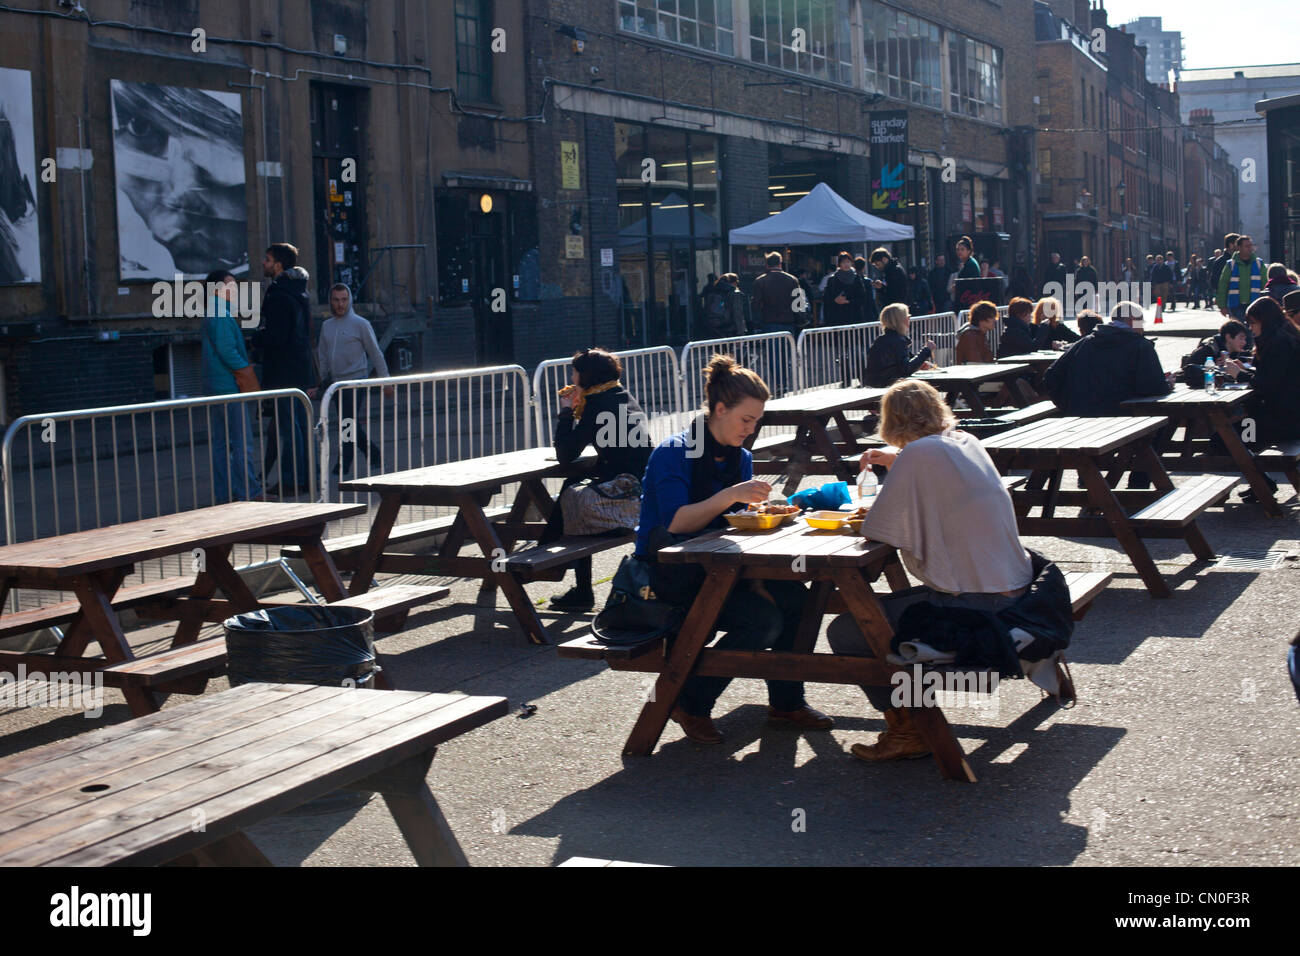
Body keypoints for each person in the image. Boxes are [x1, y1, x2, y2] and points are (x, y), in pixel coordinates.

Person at [826, 379, 1034, 762]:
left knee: (852, 628)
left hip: (980, 608)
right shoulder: (965, 441)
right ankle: (911, 724)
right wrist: (898, 461)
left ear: (892, 422)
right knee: (883, 614)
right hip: (1017, 593)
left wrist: (899, 466)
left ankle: (909, 730)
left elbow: (878, 528)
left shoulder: (918, 455)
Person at [637, 355, 832, 743]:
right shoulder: (674, 451)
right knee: (762, 621)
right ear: (720, 409)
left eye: (757, 420)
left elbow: (738, 519)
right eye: (746, 419)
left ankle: (786, 700)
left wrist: (766, 512)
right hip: (669, 575)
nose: (752, 428)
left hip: (721, 566)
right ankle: (687, 702)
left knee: (798, 600)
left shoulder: (739, 457)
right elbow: (676, 522)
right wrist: (732, 496)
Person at [547, 348, 654, 612]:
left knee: (573, 497)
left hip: (626, 494)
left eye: (574, 372)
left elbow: (565, 454)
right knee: (572, 488)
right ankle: (556, 559)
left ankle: (559, 568)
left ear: (585, 376)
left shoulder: (596, 405)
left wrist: (566, 411)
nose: (572, 377)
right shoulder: (620, 394)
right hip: (644, 486)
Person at [1223, 298, 1300, 501]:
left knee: (1229, 437)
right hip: (1287, 415)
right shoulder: (1285, 336)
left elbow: (1268, 384)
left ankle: (1261, 482)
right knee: (1235, 434)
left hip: (1284, 420)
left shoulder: (1280, 343)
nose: (1250, 328)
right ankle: (1260, 480)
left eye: (1253, 323)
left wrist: (1240, 374)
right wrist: (1247, 369)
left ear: (1264, 320)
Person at [253, 243, 315, 496]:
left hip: (283, 370)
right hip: (298, 369)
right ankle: (306, 477)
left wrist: (256, 339)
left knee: (289, 429)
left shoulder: (278, 294)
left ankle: (291, 481)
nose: (264, 264)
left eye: (267, 260)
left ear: (279, 264)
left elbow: (276, 336)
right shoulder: (299, 291)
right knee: (299, 427)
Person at [1043, 300, 1172, 417]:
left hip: (1080, 414)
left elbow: (1051, 375)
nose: (1142, 326)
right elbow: (1153, 387)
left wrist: (1068, 406)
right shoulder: (1141, 346)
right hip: (1124, 415)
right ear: (1133, 319)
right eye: (1141, 321)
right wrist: (1168, 384)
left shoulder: (1086, 342)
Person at [316, 283, 390, 476]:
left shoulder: (360, 324)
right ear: (330, 301)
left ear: (349, 300)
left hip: (356, 380)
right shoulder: (327, 326)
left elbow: (375, 353)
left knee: (347, 422)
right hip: (335, 383)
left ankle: (344, 461)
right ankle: (373, 454)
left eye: (344, 299)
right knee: (349, 423)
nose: (340, 304)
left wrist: (386, 381)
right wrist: (323, 380)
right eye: (336, 300)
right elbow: (323, 355)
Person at [202, 269, 263, 503]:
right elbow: (228, 351)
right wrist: (247, 373)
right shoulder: (220, 313)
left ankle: (224, 494)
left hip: (215, 386)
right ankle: (248, 491)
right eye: (231, 285)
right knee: (241, 442)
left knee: (221, 443)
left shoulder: (214, 311)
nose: (235, 290)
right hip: (229, 386)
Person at [865, 304, 936, 387]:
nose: (909, 319)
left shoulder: (882, 339)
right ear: (900, 320)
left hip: (876, 384)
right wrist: (926, 350)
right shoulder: (898, 340)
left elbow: (900, 365)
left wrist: (919, 364)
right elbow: (907, 368)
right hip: (888, 386)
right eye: (907, 317)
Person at [1180, 319, 1249, 388]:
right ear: (1228, 337)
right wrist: (1214, 368)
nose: (1244, 342)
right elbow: (1189, 369)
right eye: (1241, 338)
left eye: (1244, 339)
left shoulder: (1236, 351)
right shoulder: (1209, 348)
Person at [750, 252, 801, 331]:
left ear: (767, 265)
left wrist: (757, 322)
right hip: (788, 321)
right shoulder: (792, 280)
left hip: (768, 321)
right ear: (780, 264)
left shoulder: (760, 281)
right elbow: (798, 303)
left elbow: (756, 305)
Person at [822, 251, 873, 326]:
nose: (846, 264)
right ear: (839, 264)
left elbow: (862, 298)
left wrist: (848, 301)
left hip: (854, 316)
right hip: (837, 317)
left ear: (851, 263)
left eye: (848, 262)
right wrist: (835, 300)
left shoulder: (856, 278)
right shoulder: (832, 279)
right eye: (843, 262)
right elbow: (826, 297)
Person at [954, 300, 997, 364]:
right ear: (981, 319)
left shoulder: (980, 334)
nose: (995, 320)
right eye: (991, 317)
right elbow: (975, 364)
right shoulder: (970, 336)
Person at [706, 273, 747, 337]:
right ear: (734, 282)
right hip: (730, 328)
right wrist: (741, 332)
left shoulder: (712, 291)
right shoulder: (734, 293)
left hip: (714, 327)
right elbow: (738, 314)